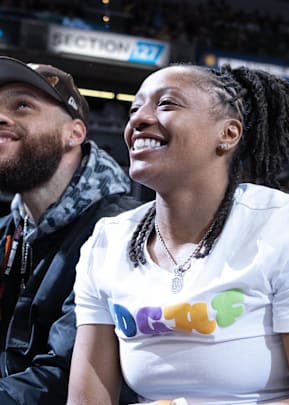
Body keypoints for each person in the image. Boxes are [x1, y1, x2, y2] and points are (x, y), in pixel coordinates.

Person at [67, 64, 289, 405]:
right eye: (135, 109)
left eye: (166, 104)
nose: (138, 120)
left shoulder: (285, 225)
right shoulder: (107, 241)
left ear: (229, 134)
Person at [0, 56, 139, 403]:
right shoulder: (9, 228)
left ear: (74, 133)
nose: (1, 117)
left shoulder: (121, 232)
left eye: (22, 106)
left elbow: (65, 376)